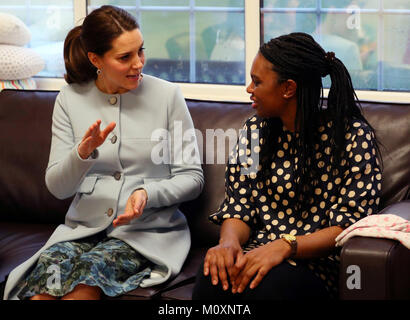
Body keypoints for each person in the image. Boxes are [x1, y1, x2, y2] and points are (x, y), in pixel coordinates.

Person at [3, 5, 203, 300]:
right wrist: (81, 154)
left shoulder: (167, 96)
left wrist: (147, 193)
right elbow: (58, 188)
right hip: (81, 230)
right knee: (43, 289)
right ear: (96, 59)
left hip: (145, 234)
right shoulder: (70, 99)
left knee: (84, 285)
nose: (139, 64)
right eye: (125, 57)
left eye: (141, 51)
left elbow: (192, 177)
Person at [192, 32, 382, 300]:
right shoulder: (254, 131)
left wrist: (286, 246)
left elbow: (349, 225)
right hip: (256, 253)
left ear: (288, 88)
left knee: (270, 290)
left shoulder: (352, 137)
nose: (249, 89)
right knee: (211, 280)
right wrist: (228, 244)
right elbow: (239, 205)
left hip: (315, 264)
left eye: (257, 82)